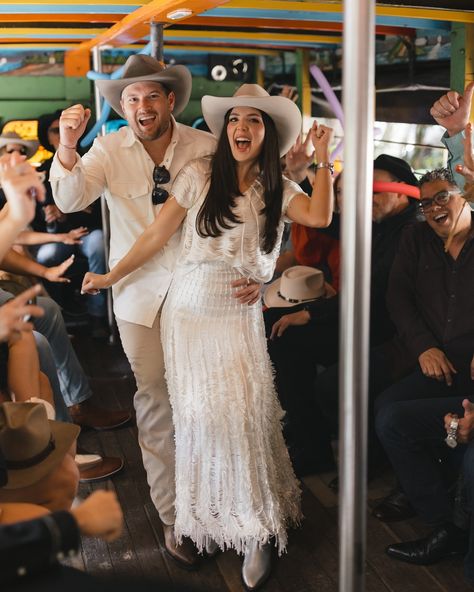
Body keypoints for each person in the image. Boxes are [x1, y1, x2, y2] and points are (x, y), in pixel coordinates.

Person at [81, 82, 334, 590]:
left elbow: (321, 216)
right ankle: (212, 518)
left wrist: (324, 160)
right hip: (189, 313)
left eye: (254, 121)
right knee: (198, 420)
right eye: (235, 119)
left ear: (269, 133)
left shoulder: (279, 187)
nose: (241, 128)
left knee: (244, 414)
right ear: (225, 129)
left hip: (238, 316)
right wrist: (112, 277)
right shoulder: (198, 174)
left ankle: (257, 529)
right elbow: (156, 235)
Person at [49, 54, 233, 570]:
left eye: (152, 95)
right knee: (156, 400)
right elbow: (68, 198)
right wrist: (66, 144)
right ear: (122, 106)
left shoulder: (207, 148)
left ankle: (215, 506)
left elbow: (243, 208)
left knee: (207, 403)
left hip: (204, 293)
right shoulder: (107, 149)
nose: (142, 105)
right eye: (131, 98)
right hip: (138, 296)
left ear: (172, 101)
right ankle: (175, 518)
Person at [374, 165, 474, 579]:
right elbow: (397, 298)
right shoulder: (415, 239)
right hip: (434, 360)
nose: (433, 207)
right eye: (426, 201)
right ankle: (440, 520)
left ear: (465, 194)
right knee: (387, 409)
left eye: (443, 196)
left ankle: (450, 517)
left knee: (401, 417)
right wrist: (425, 347)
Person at [34, 111, 107, 336]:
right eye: (55, 130)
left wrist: (70, 214)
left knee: (98, 243)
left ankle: (98, 316)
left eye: (65, 128)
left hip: (87, 232)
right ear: (47, 136)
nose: (62, 133)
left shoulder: (89, 163)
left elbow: (100, 211)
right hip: (57, 237)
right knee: (45, 255)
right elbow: (35, 219)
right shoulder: (39, 172)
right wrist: (51, 219)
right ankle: (60, 314)